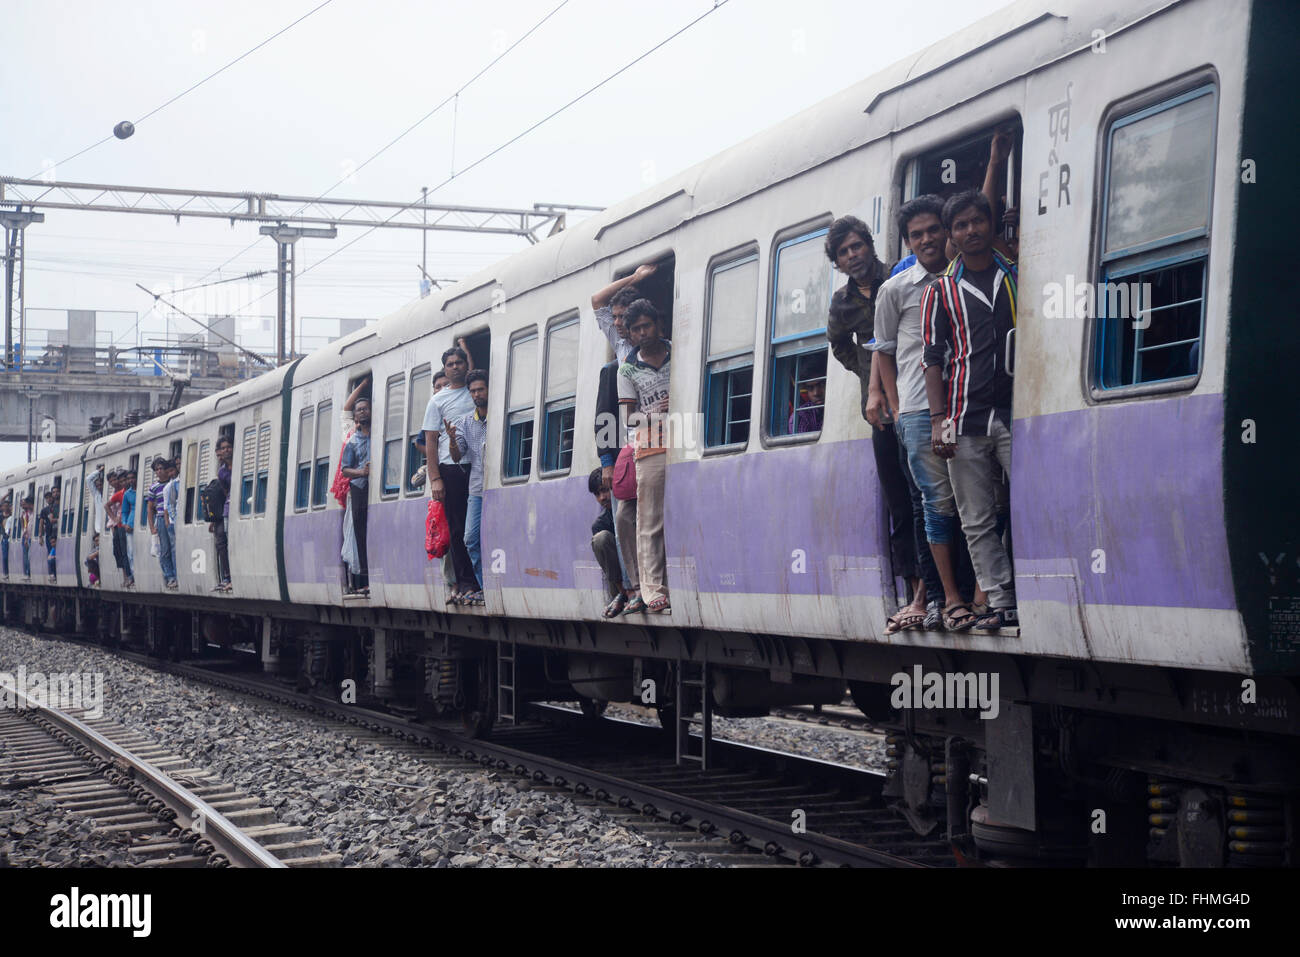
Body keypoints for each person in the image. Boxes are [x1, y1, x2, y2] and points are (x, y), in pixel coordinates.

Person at [872, 194, 976, 632]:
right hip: (917, 410)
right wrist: (896, 408)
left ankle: (971, 595)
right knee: (931, 505)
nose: (928, 238)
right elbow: (884, 350)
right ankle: (941, 598)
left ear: (946, 230)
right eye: (918, 234)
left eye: (934, 229)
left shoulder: (965, 276)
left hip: (966, 402)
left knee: (973, 502)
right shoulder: (895, 290)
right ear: (907, 242)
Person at [921, 189, 1018, 631]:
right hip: (964, 417)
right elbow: (933, 360)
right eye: (960, 225)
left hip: (1017, 412)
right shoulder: (939, 291)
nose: (970, 230)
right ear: (951, 236)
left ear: (989, 224)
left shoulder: (1016, 276)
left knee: (1029, 504)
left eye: (977, 221)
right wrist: (939, 422)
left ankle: (1025, 589)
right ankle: (1000, 601)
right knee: (976, 518)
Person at [825, 216, 920, 615]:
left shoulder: (898, 277)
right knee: (898, 500)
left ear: (869, 245)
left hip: (916, 394)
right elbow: (838, 345)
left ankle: (939, 590)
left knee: (926, 496)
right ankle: (915, 589)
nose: (853, 255)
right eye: (844, 252)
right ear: (839, 261)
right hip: (880, 409)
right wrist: (868, 374)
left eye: (857, 246)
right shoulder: (842, 303)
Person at [618, 299, 672, 615]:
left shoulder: (678, 351)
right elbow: (628, 417)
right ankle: (653, 591)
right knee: (650, 520)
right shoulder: (626, 369)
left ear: (657, 324)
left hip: (686, 439)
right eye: (636, 329)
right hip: (650, 445)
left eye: (646, 326)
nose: (642, 333)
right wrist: (656, 412)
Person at [423, 346, 478, 604]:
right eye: (450, 364)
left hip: (476, 464)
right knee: (457, 528)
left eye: (459, 362)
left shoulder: (476, 391)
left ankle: (478, 578)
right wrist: (435, 478)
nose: (455, 367)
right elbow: (431, 441)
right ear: (444, 368)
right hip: (450, 467)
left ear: (466, 365)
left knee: (474, 526)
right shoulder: (437, 401)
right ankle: (466, 581)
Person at [447, 369, 488, 605]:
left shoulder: (500, 416)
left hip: (497, 487)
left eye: (480, 389)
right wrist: (452, 439)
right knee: (470, 538)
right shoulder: (464, 423)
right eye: (472, 391)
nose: (476, 394)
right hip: (476, 488)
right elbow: (457, 455)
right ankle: (484, 586)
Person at [591, 263, 657, 362]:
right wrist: (636, 277)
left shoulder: (656, 345)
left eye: (622, 316)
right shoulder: (620, 342)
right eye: (614, 317)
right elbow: (597, 300)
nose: (616, 323)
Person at [340, 397, 372, 594]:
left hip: (375, 487)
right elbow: (345, 470)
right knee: (361, 531)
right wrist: (361, 472)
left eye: (365, 408)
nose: (362, 412)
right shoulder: (352, 442)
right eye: (359, 409)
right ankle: (365, 577)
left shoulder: (380, 434)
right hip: (360, 488)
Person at [587, 467, 625, 614]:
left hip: (641, 575)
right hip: (620, 581)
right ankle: (623, 593)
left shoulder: (631, 509)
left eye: (604, 490)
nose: (602, 497)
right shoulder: (600, 524)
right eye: (597, 494)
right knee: (600, 539)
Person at [209, 437, 233, 591]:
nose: (226, 450)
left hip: (237, 508)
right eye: (223, 448)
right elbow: (225, 491)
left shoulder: (240, 464)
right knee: (223, 543)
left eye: (228, 447)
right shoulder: (222, 472)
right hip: (228, 509)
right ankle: (227, 576)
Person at [162, 459, 181, 590]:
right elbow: (168, 506)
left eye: (172, 470)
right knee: (174, 551)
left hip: (178, 522)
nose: (171, 473)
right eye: (169, 472)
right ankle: (175, 576)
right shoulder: (170, 486)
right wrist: (171, 521)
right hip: (174, 523)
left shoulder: (180, 482)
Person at [38, 490, 57, 582]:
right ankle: (52, 574)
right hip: (49, 535)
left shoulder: (56, 507)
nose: (49, 499)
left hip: (56, 534)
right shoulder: (44, 510)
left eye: (50, 497)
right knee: (50, 554)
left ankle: (55, 573)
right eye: (47, 498)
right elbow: (41, 523)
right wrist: (40, 536)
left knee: (54, 555)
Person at [122, 469, 137, 587]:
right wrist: (125, 523)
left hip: (142, 523)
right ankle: (133, 576)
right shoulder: (127, 494)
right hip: (131, 526)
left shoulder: (143, 490)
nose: (131, 480)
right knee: (131, 553)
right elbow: (124, 512)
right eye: (129, 478)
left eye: (133, 477)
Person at [19, 497, 33, 579]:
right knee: (25, 555)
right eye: (22, 504)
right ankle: (26, 573)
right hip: (25, 536)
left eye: (24, 503)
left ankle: (28, 573)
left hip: (29, 536)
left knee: (28, 555)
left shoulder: (30, 513)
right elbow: (23, 525)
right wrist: (24, 534)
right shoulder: (23, 514)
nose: (23, 505)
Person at [0, 496, 11, 578]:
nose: (6, 507)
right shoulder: (1, 516)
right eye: (5, 506)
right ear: (2, 507)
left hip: (11, 536)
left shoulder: (12, 515)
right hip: (4, 537)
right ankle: (5, 572)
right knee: (5, 556)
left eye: (7, 506)